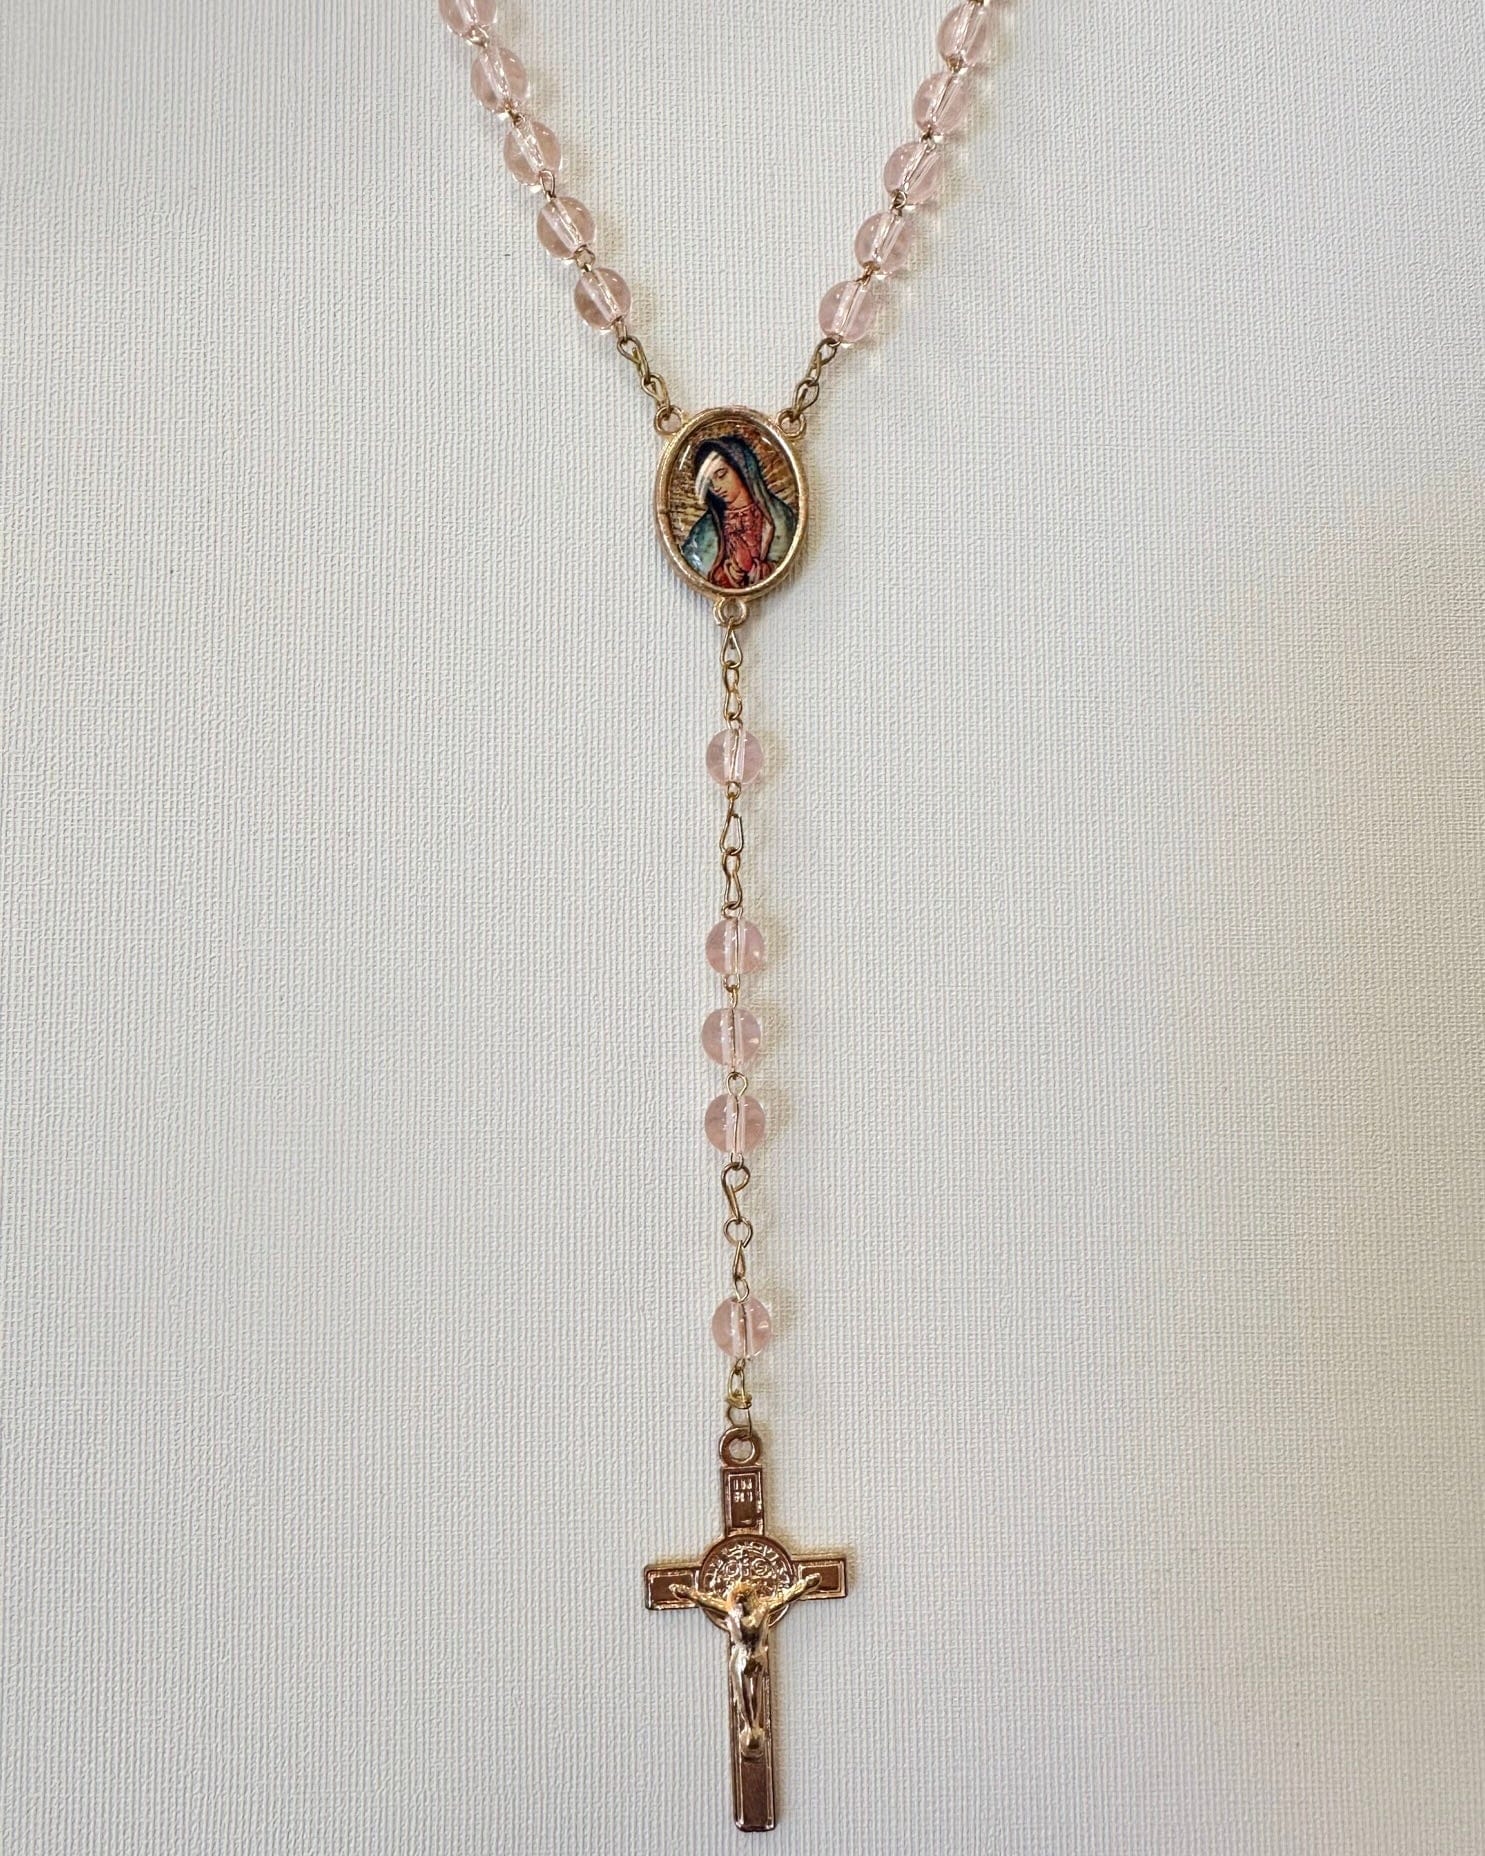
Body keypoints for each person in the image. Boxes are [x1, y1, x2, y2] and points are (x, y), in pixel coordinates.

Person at [668, 1571, 820, 1756]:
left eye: (744, 1597)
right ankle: (750, 1729)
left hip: (757, 1658)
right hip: (740, 1658)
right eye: (738, 1598)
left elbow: (786, 1597)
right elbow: (704, 1600)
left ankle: (754, 1729)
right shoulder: (729, 1610)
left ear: (751, 1597)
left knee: (756, 1696)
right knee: (743, 1697)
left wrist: (805, 1585)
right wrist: (686, 1592)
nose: (741, 1601)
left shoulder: (763, 1609)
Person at [680, 435, 798, 590]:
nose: (716, 488)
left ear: (742, 469)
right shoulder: (704, 530)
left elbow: (781, 560)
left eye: (721, 474)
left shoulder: (780, 517)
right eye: (709, 483)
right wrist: (732, 573)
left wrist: (757, 569)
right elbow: (696, 562)